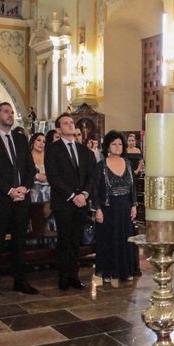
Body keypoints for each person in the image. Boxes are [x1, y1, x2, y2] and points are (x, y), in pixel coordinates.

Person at [0, 102, 39, 300]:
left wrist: (25, 187)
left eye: (12, 112)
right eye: (6, 112)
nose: (11, 115)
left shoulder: (21, 139)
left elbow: (30, 168)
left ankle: (20, 281)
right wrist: (9, 190)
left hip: (21, 199)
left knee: (20, 242)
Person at [45, 112, 96, 290]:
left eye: (71, 122)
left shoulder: (84, 150)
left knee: (76, 240)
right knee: (64, 240)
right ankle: (64, 277)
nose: (69, 125)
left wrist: (84, 194)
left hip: (82, 203)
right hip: (64, 202)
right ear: (58, 129)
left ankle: (74, 276)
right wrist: (72, 196)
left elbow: (90, 176)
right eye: (65, 123)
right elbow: (54, 177)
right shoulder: (52, 149)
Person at [93, 130, 140, 283]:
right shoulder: (101, 166)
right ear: (107, 146)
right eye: (114, 144)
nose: (117, 147)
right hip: (108, 208)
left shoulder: (127, 163)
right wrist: (98, 209)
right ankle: (108, 271)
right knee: (108, 240)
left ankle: (126, 271)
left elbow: (133, 186)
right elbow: (95, 189)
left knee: (126, 240)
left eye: (120, 144)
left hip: (125, 207)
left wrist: (134, 205)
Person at [29, 133, 50, 202]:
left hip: (49, 189)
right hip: (32, 189)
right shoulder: (27, 156)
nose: (41, 143)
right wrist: (36, 176)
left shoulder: (49, 156)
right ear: (33, 141)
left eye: (44, 142)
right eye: (38, 140)